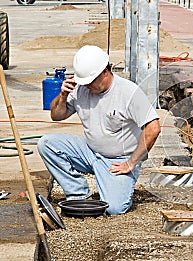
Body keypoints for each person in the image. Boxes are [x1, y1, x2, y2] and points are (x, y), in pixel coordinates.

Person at [37, 45, 161, 215]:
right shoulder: (81, 88)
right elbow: (56, 116)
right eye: (84, 82)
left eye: (90, 82)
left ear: (104, 72)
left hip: (117, 159)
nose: (87, 86)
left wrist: (131, 163)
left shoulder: (128, 92)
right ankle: (78, 194)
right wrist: (63, 96)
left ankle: (114, 180)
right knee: (47, 144)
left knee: (114, 208)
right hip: (89, 151)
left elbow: (153, 128)